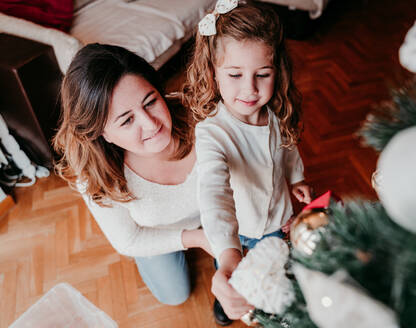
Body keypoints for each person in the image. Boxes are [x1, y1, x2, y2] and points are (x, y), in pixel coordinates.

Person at [53, 43, 213, 307]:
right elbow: (128, 240)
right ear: (100, 132)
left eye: (150, 102)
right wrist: (195, 238)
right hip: (157, 230)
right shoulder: (94, 175)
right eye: (127, 120)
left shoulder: (202, 117)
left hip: (217, 210)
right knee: (175, 295)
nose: (151, 124)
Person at [183, 0, 312, 324]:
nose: (250, 89)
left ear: (277, 70)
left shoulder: (278, 112)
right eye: (235, 74)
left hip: (277, 221)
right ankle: (223, 301)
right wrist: (227, 254)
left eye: (262, 74)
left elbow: (289, 149)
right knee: (234, 277)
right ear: (213, 71)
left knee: (273, 271)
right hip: (236, 232)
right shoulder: (213, 132)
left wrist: (296, 179)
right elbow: (214, 191)